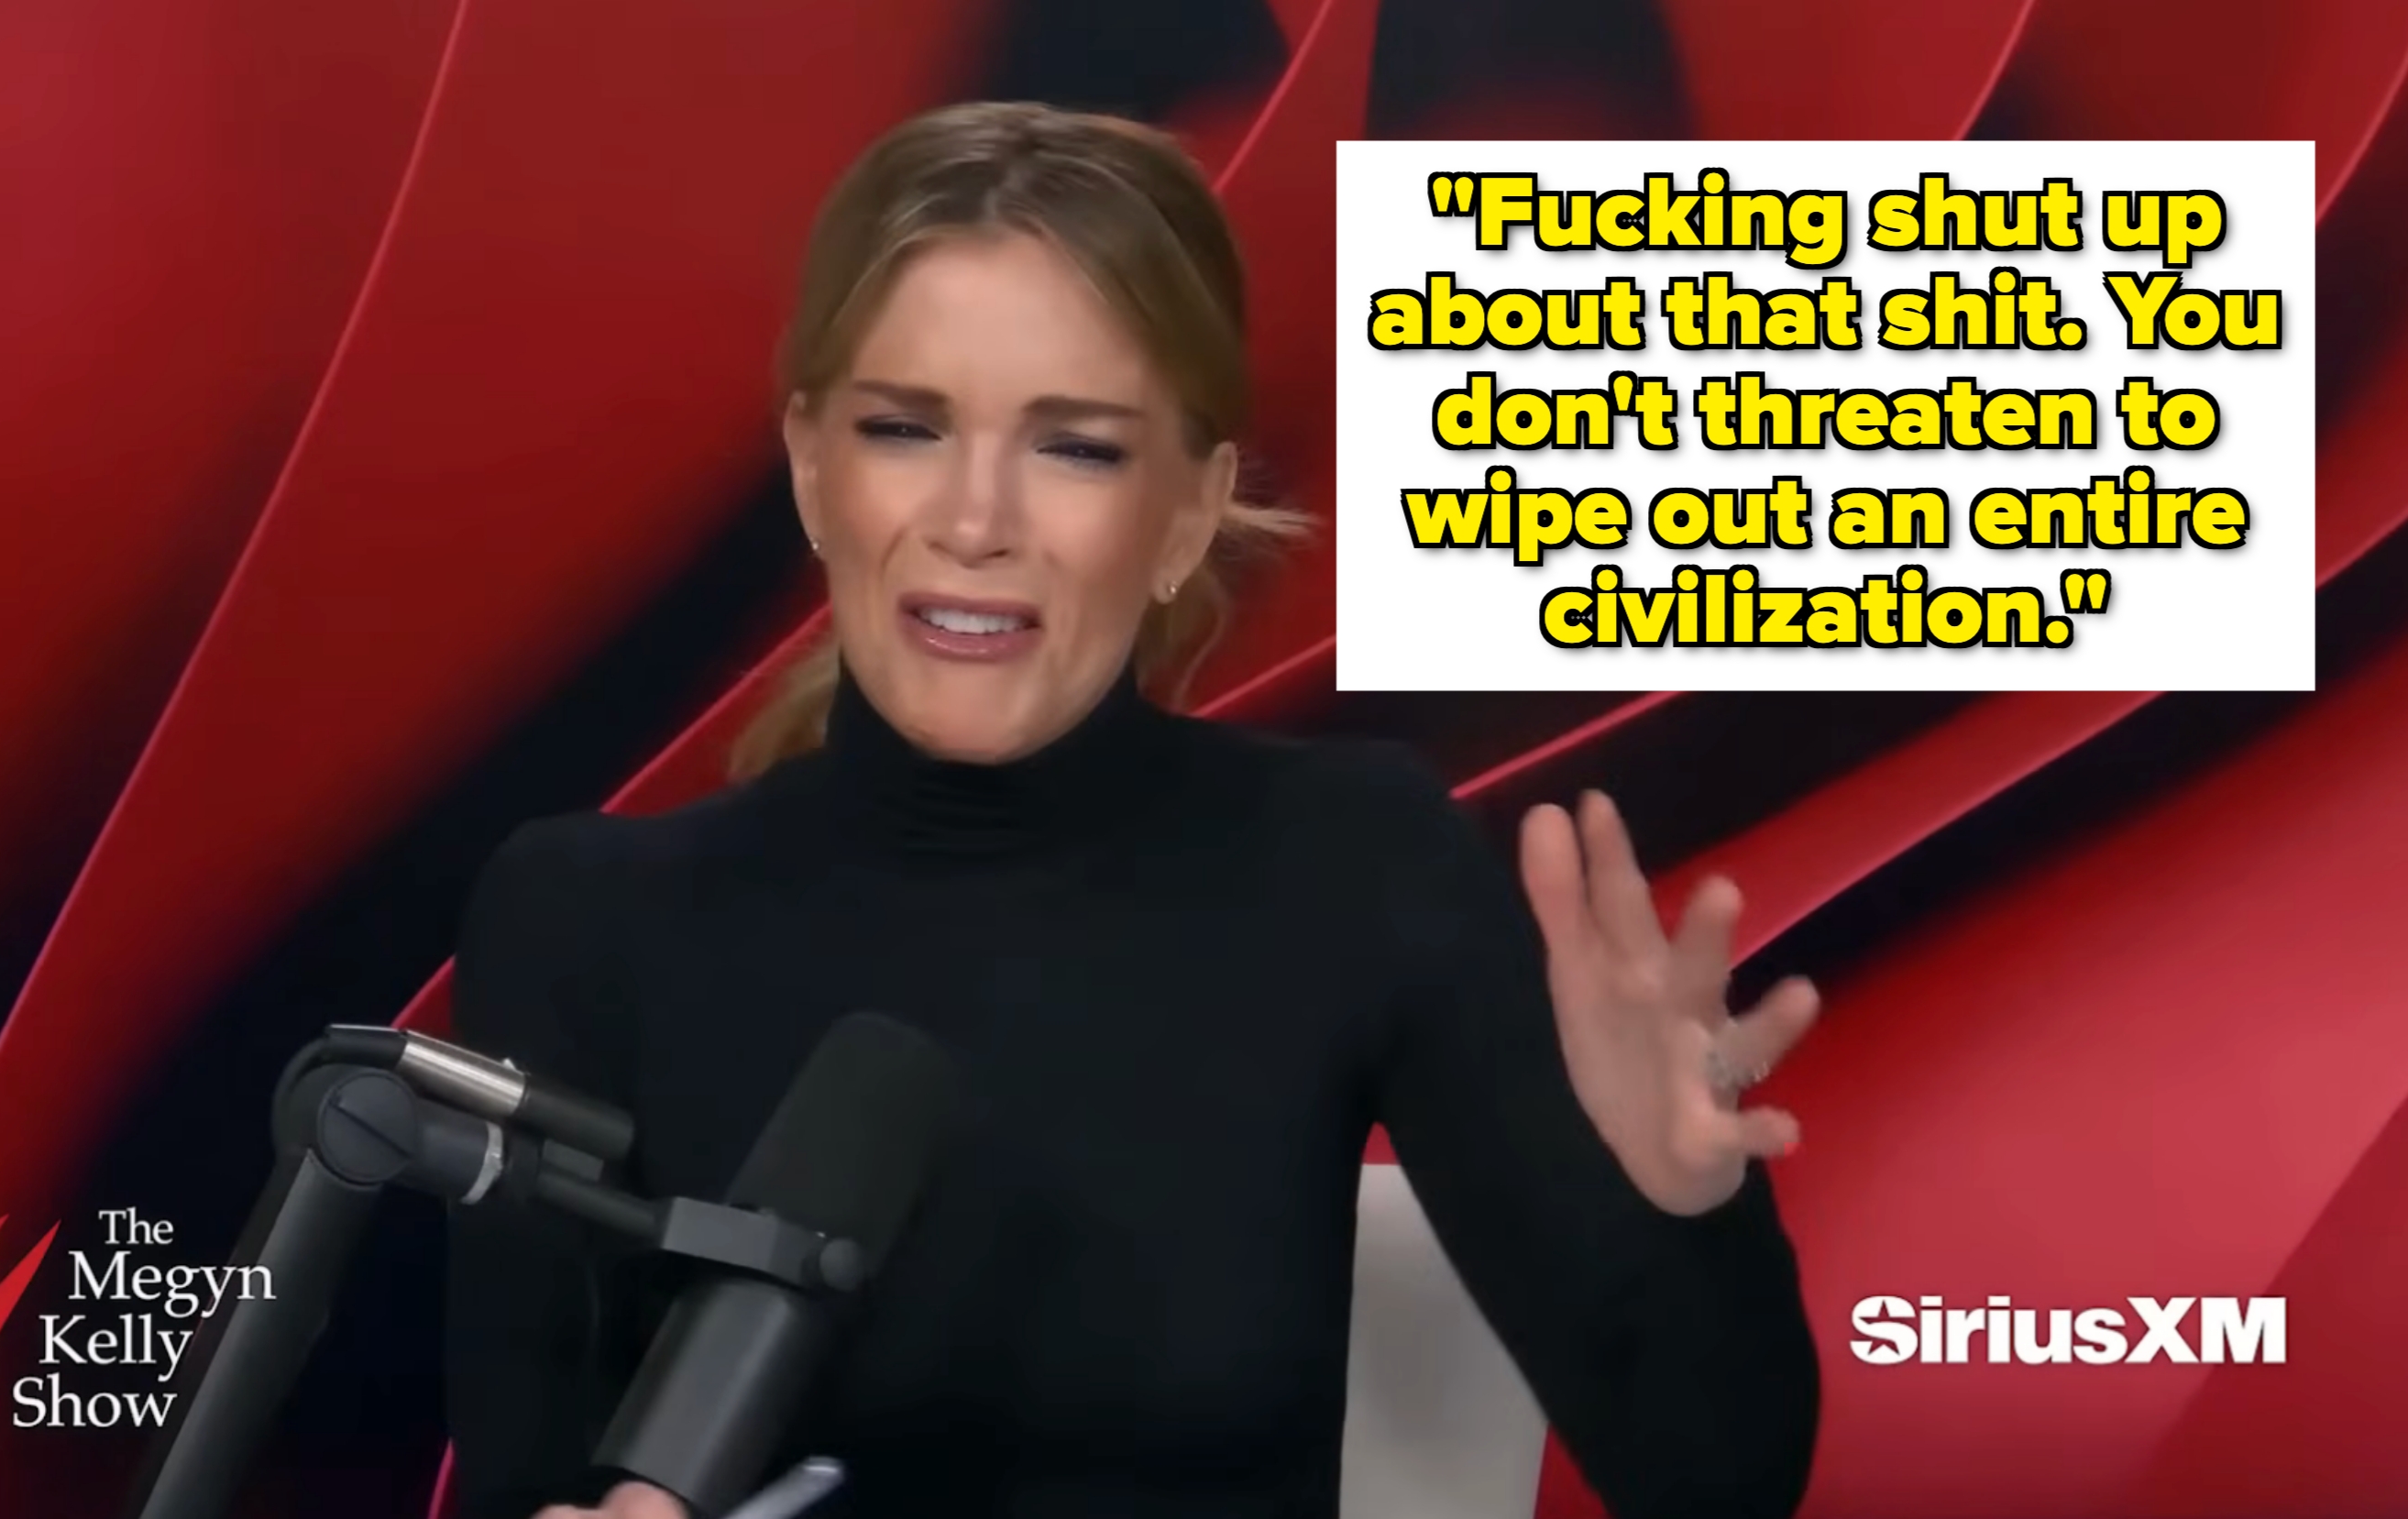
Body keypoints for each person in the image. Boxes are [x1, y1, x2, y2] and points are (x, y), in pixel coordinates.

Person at [445, 101, 1820, 1519]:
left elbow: (1714, 1485)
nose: (975, 520)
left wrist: (1678, 1206)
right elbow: (520, 1480)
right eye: (904, 428)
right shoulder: (584, 917)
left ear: (1188, 509)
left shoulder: (1356, 863)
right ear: (811, 464)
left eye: (1078, 448)